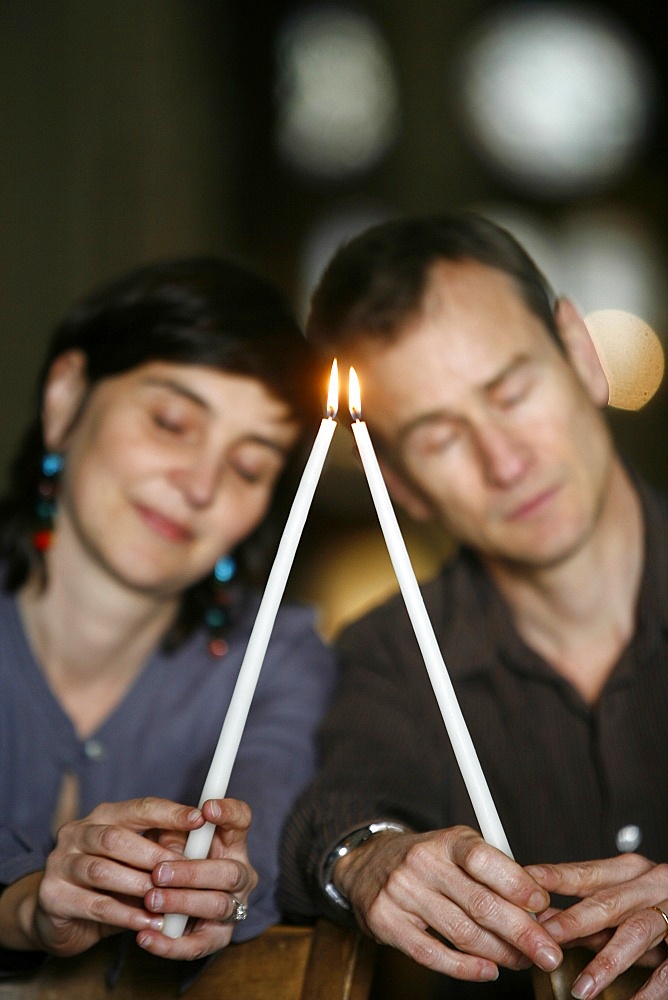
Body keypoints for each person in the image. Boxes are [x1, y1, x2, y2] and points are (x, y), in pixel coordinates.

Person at [278, 211, 668, 999]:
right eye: (439, 435)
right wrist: (370, 858)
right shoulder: (388, 655)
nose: (506, 460)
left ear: (581, 353)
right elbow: (340, 808)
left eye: (513, 390)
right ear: (400, 482)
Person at [0, 256, 338, 974]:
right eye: (171, 421)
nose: (200, 483)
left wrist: (225, 886)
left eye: (250, 466)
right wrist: (24, 901)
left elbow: (263, 831)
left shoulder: (280, 658)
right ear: (66, 398)